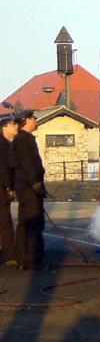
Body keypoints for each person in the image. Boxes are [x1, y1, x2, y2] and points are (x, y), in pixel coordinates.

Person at [10, 109, 46, 269]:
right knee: (33, 223)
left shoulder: (21, 139)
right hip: (29, 187)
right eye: (33, 118)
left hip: (24, 186)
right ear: (26, 120)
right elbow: (27, 163)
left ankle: (23, 260)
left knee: (24, 222)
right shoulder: (24, 140)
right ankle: (32, 261)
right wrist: (35, 183)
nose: (35, 120)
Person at [0, 113, 17, 266]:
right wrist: (10, 187)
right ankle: (10, 256)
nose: (15, 127)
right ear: (4, 127)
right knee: (5, 224)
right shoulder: (4, 145)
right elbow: (5, 169)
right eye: (12, 125)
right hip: (1, 190)